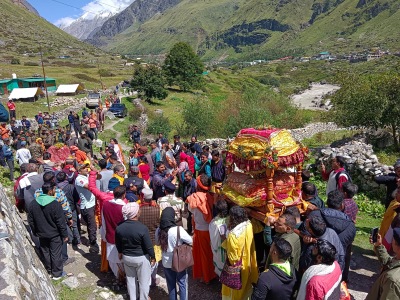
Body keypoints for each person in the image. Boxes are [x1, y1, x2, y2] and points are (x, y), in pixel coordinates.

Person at [115, 202, 156, 300]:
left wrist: (120, 252)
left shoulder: (119, 227)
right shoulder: (142, 228)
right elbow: (148, 246)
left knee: (130, 280)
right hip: (141, 258)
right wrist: (153, 256)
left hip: (127, 257)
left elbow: (118, 243)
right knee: (144, 282)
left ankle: (133, 298)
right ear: (136, 213)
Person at [28, 182, 68, 279]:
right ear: (50, 191)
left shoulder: (33, 203)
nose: (55, 191)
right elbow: (60, 222)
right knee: (56, 253)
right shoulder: (55, 204)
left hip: (41, 233)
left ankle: (49, 270)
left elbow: (31, 220)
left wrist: (35, 231)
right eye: (54, 189)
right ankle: (57, 273)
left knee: (46, 252)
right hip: (54, 234)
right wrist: (65, 234)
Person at [222, 206, 258, 300]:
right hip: (248, 264)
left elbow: (233, 259)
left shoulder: (233, 235)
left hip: (238, 268)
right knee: (246, 286)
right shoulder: (249, 225)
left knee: (235, 291)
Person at [156, 207, 193, 300]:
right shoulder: (178, 230)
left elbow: (157, 243)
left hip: (166, 262)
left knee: (171, 284)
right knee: (182, 283)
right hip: (179, 261)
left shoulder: (159, 230)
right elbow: (190, 240)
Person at [187, 174, 216, 284]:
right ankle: (212, 274)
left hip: (200, 230)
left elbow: (191, 211)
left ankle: (205, 277)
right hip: (211, 229)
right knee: (211, 253)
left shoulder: (193, 198)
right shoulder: (212, 197)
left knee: (201, 255)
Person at [101, 186, 127, 281]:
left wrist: (104, 233)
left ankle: (118, 276)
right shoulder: (124, 207)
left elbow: (103, 221)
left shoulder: (105, 205)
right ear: (124, 195)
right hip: (121, 239)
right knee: (122, 260)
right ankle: (123, 277)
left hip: (110, 235)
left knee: (113, 260)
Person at [366, 229, 400, 300]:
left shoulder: (392, 280)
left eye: (393, 239)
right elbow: (390, 264)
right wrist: (379, 246)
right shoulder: (398, 259)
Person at [138, 188, 161, 286]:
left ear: (142, 198)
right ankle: (153, 279)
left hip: (141, 241)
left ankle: (144, 281)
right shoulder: (158, 209)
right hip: (155, 241)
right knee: (155, 262)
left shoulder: (138, 210)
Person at [75, 164, 99, 253]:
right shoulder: (79, 179)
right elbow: (89, 187)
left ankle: (92, 240)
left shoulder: (87, 175)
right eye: (84, 168)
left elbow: (99, 176)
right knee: (91, 225)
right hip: (86, 206)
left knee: (92, 225)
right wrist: (92, 176)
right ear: (79, 171)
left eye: (86, 167)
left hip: (92, 204)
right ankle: (93, 243)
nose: (86, 169)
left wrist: (94, 170)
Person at [209, 199, 229, 276]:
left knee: (221, 265)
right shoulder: (231, 219)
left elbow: (213, 237)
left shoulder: (214, 222)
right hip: (228, 247)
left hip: (219, 248)